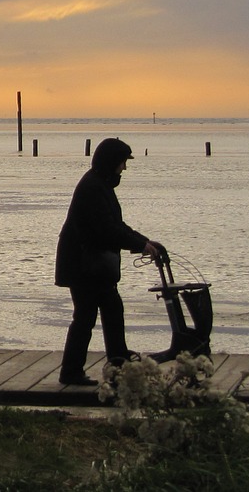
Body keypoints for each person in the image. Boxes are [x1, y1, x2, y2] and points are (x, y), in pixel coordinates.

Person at [54, 137, 164, 386]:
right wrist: (140, 245)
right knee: (85, 317)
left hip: (90, 265)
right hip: (83, 265)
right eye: (123, 162)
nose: (124, 168)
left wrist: (145, 242)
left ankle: (117, 362)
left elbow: (116, 226)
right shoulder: (94, 187)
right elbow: (106, 230)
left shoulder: (100, 184)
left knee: (111, 309)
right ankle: (73, 372)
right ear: (112, 162)